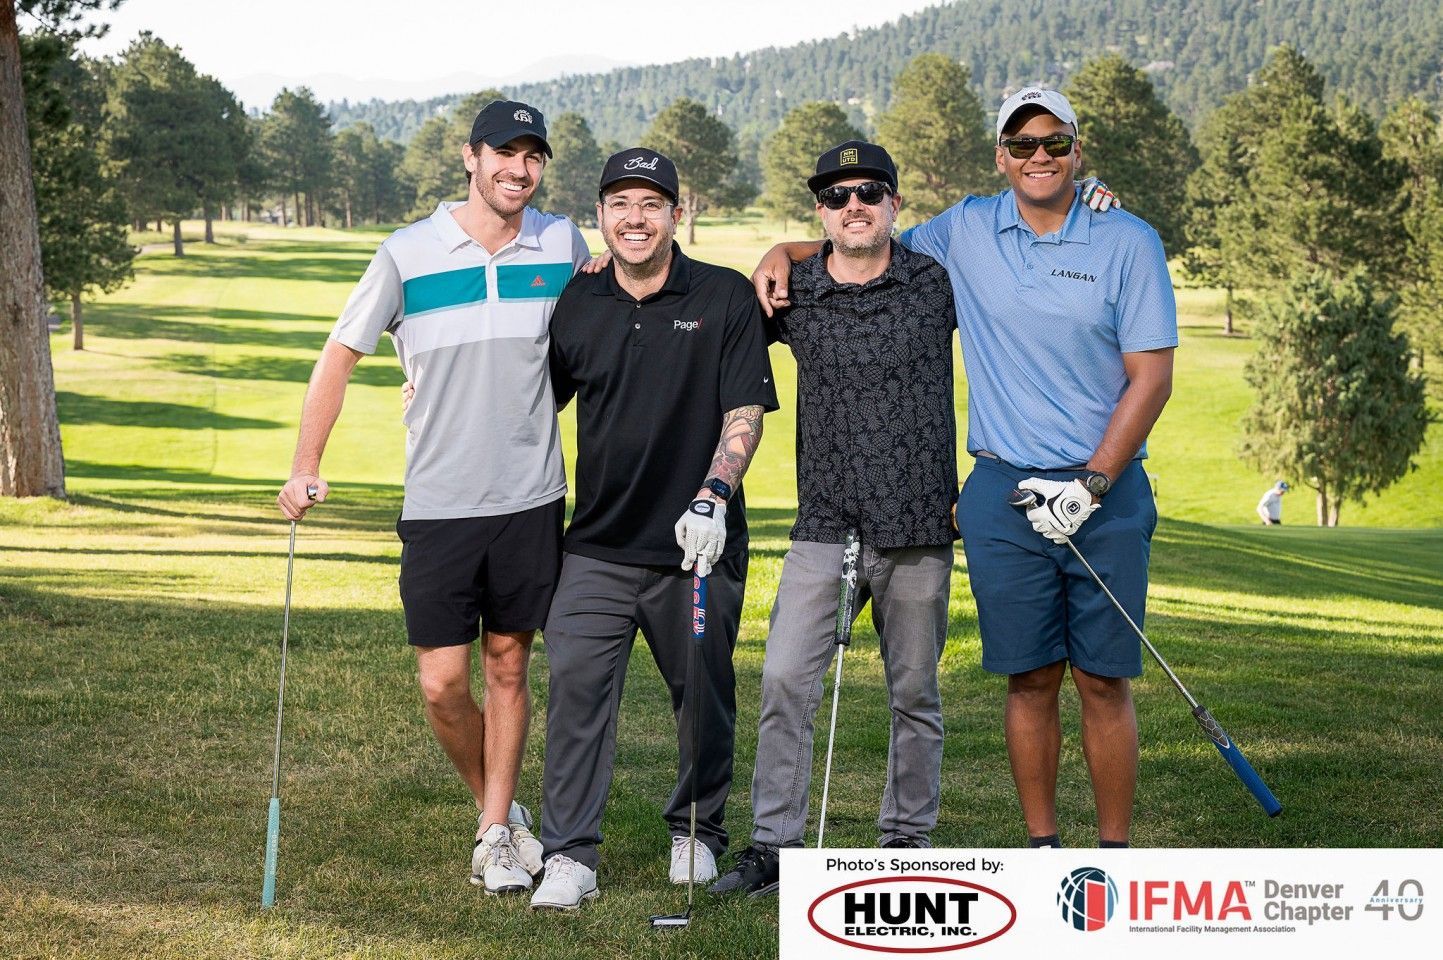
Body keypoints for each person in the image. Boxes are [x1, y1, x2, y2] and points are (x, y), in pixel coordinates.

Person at [752, 88, 1174, 849]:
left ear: (1078, 149)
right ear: (998, 156)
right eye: (1021, 145)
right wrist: (779, 252)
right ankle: (1043, 851)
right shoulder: (965, 231)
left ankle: (1114, 857)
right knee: (1030, 677)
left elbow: (1152, 376)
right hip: (998, 492)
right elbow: (859, 244)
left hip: (1096, 491)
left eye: (1053, 143)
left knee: (1102, 681)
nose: (1036, 156)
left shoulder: (1124, 238)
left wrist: (1093, 484)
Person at [276, 100, 594, 895]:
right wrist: (304, 461)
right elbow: (340, 354)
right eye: (503, 154)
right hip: (441, 501)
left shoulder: (561, 242)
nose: (518, 169)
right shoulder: (407, 253)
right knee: (442, 684)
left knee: (508, 666)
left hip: (529, 495)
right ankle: (501, 811)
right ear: (470, 156)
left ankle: (494, 832)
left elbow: (598, 329)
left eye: (532, 157)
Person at [527, 148, 779, 911]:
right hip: (598, 544)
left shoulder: (724, 295)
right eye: (618, 205)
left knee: (702, 691)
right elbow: (539, 397)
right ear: (600, 217)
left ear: (676, 214)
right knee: (574, 689)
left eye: (650, 204)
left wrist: (711, 496)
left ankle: (698, 828)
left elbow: (744, 413)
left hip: (695, 548)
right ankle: (570, 852)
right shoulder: (579, 301)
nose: (634, 219)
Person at [709, 141, 958, 898]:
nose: (854, 205)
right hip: (826, 522)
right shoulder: (794, 290)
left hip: (918, 523)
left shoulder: (935, 282)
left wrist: (1095, 193)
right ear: (819, 211)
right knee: (785, 679)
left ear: (893, 204)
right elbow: (708, 314)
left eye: (869, 192)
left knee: (913, 693)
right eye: (836, 195)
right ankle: (772, 846)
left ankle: (905, 841)